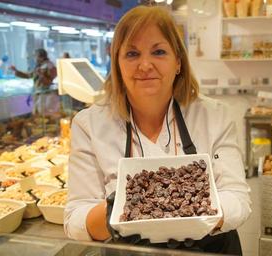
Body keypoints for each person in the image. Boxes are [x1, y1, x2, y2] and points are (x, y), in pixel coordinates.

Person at [65, 5, 251, 255]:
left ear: (178, 62)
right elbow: (76, 221)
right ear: (117, 64)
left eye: (159, 52)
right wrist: (120, 209)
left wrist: (190, 212)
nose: (145, 65)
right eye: (132, 54)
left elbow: (237, 199)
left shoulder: (214, 116)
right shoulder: (89, 124)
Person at [10, 48, 57, 115]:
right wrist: (16, 71)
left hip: (45, 93)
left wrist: (41, 75)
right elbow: (29, 75)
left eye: (35, 56)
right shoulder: (39, 65)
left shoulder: (49, 65)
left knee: (43, 112)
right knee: (37, 111)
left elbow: (50, 80)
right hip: (38, 92)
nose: (35, 58)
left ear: (41, 56)